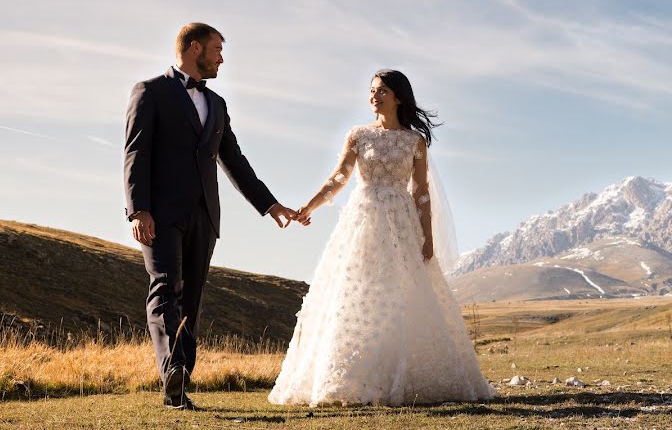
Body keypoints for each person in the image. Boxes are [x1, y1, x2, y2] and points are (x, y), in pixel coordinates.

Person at [268, 69, 496, 406]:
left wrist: (427, 236)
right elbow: (339, 178)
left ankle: (405, 374)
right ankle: (351, 377)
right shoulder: (358, 135)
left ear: (399, 97)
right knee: (356, 291)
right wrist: (310, 206)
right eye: (372, 90)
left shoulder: (414, 141)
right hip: (362, 219)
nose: (374, 96)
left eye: (383, 91)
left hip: (402, 221)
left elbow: (420, 191)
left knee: (402, 292)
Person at [123, 23, 298, 410]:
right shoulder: (150, 91)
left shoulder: (217, 104)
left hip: (205, 217)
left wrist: (271, 206)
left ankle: (179, 380)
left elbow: (234, 161)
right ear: (195, 47)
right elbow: (135, 154)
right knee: (166, 288)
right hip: (160, 215)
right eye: (218, 49)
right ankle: (173, 371)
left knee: (192, 301)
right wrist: (139, 209)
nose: (222, 58)